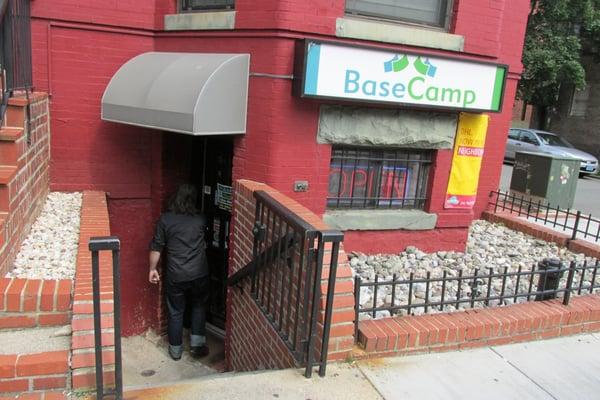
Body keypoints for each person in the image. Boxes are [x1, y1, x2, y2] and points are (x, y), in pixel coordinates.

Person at [149, 184, 210, 360]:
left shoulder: (165, 220)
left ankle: (175, 351)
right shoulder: (200, 219)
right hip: (199, 273)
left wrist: (152, 269)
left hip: (176, 275)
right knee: (199, 305)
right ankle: (197, 345)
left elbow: (157, 247)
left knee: (176, 311)